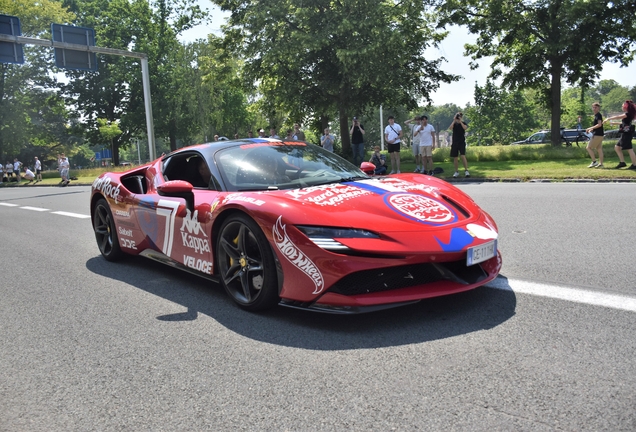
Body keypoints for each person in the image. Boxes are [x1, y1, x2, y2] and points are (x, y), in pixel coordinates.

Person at [604, 100, 636, 170]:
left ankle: (634, 164)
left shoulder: (627, 114)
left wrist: (608, 118)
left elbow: (618, 116)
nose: (621, 107)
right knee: (617, 147)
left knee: (629, 149)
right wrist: (614, 123)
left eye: (622, 106)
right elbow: (625, 124)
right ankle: (622, 163)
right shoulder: (628, 114)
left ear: (625, 106)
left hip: (627, 134)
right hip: (625, 133)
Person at [448, 112, 469, 177]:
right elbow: (450, 128)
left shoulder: (463, 123)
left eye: (459, 116)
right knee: (455, 157)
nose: (458, 117)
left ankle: (466, 170)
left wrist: (460, 121)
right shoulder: (454, 124)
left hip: (461, 142)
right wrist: (454, 121)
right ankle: (456, 171)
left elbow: (465, 128)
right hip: (455, 142)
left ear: (461, 117)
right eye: (457, 116)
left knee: (462, 156)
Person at [585, 103, 604, 168]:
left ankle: (594, 162)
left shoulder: (598, 115)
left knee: (588, 147)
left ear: (598, 108)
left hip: (598, 135)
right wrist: (591, 130)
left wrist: (589, 128)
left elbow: (599, 125)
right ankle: (601, 164)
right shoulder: (596, 115)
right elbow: (597, 126)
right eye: (593, 107)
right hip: (599, 134)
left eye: (595, 107)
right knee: (599, 149)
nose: (594, 109)